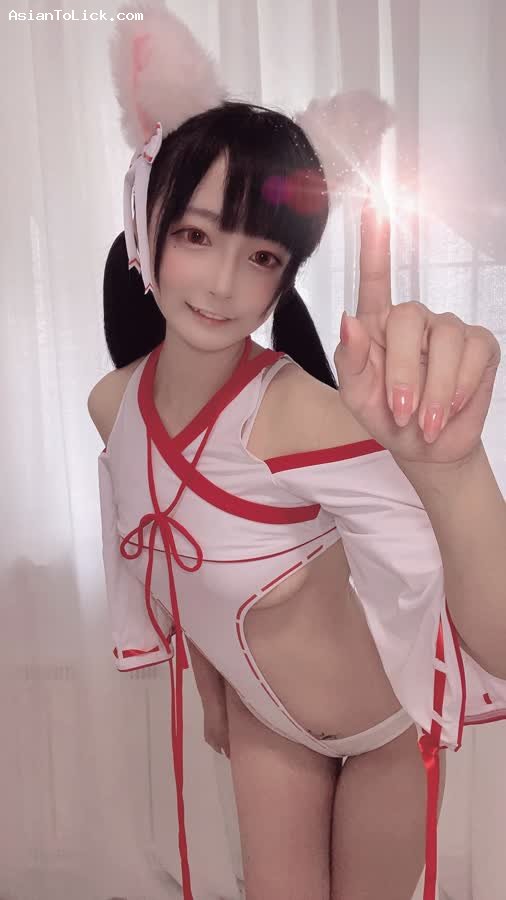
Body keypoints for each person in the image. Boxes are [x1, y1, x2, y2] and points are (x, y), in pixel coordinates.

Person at [88, 5, 506, 900]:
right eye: (196, 235)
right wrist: (214, 698)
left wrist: (449, 470)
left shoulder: (298, 414)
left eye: (263, 256)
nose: (222, 283)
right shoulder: (112, 408)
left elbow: (487, 622)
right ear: (144, 220)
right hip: (265, 722)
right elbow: (179, 571)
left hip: (386, 725)